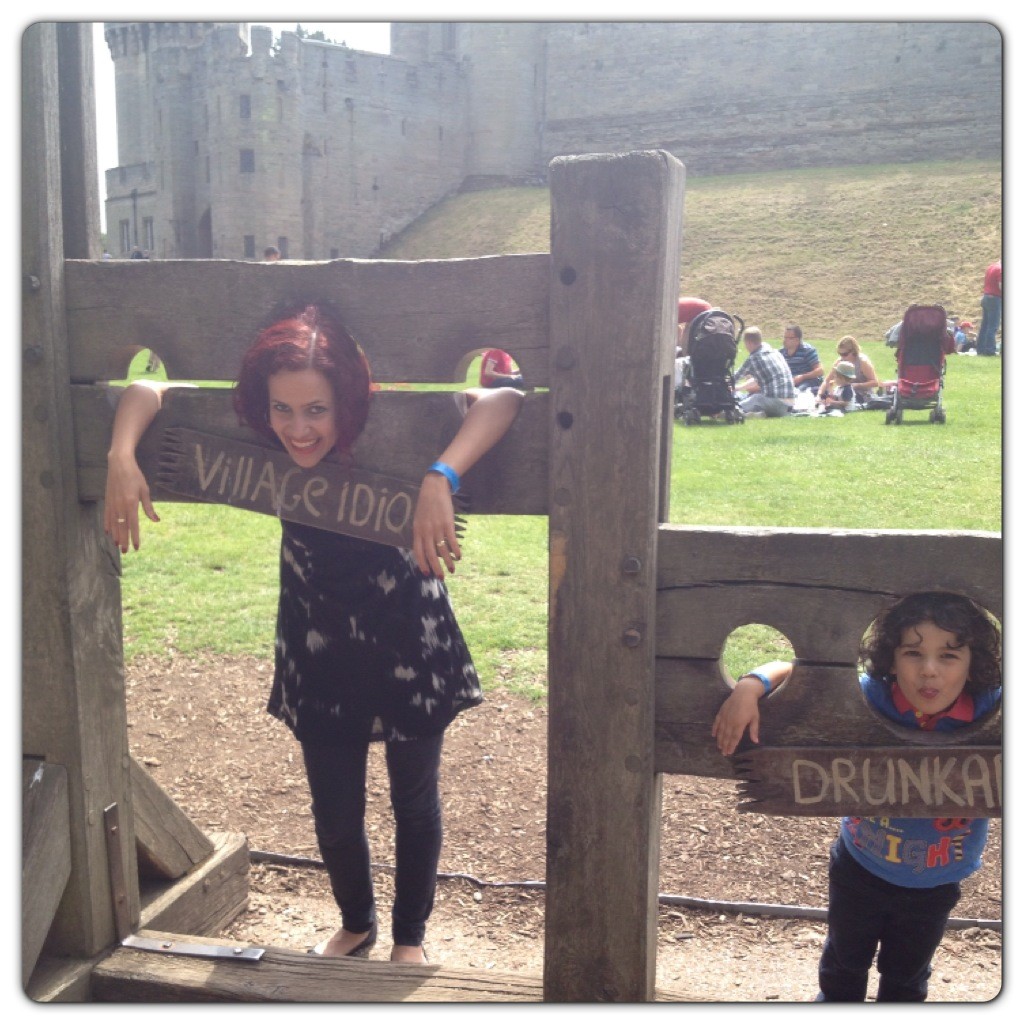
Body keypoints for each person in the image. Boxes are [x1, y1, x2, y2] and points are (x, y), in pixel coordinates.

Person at [104, 299, 524, 964]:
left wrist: (442, 473)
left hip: (409, 638)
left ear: (349, 402)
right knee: (334, 809)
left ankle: (409, 939)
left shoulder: (389, 426)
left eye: (317, 410)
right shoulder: (262, 432)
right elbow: (146, 386)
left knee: (414, 800)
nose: (298, 429)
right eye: (283, 410)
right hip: (316, 643)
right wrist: (122, 451)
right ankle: (356, 924)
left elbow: (504, 401)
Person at [712, 591, 1002, 1002]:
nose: (929, 671)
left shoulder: (991, 707)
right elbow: (797, 670)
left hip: (937, 883)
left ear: (973, 665)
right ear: (891, 657)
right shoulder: (874, 696)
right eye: (913, 653)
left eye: (949, 656)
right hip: (859, 867)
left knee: (906, 977)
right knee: (843, 964)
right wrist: (748, 686)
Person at [734, 326, 795, 418]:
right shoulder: (774, 352)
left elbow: (735, 377)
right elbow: (757, 380)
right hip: (789, 404)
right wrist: (738, 388)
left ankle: (743, 413)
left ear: (749, 343)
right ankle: (758, 413)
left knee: (751, 400)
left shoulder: (754, 358)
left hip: (776, 402)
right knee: (755, 397)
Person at [816, 336, 880, 403]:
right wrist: (819, 395)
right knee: (815, 390)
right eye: (840, 354)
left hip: (862, 394)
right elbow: (827, 380)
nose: (842, 357)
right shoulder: (840, 361)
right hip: (843, 391)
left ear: (853, 351)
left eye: (845, 354)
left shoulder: (862, 362)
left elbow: (875, 382)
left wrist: (858, 385)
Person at [780, 324, 824, 392]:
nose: (785, 340)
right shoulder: (781, 353)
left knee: (799, 391)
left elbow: (820, 371)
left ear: (797, 340)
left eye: (789, 338)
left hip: (809, 381)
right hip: (791, 381)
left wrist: (802, 377)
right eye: (784, 337)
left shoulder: (807, 350)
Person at [976, 260, 1001, 356]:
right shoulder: (1001, 269)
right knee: (993, 326)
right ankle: (990, 350)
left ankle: (980, 349)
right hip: (995, 298)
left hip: (986, 297)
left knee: (985, 326)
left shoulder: (991, 267)